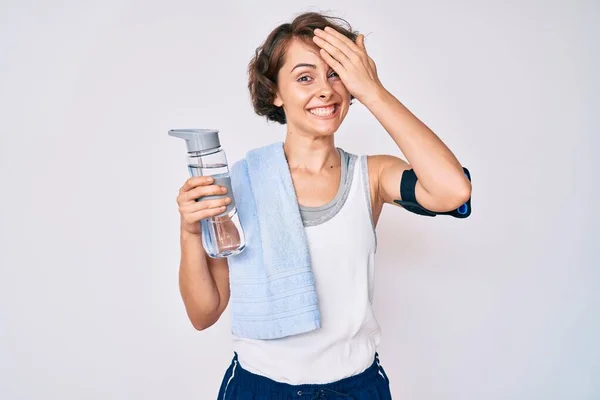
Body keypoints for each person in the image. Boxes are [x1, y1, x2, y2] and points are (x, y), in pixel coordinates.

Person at [175, 11, 472, 399]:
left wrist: (374, 91)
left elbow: (454, 190)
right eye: (304, 77)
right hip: (258, 388)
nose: (325, 90)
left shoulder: (373, 177)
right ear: (275, 93)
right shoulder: (242, 183)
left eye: (336, 74)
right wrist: (189, 231)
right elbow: (203, 313)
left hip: (355, 387)